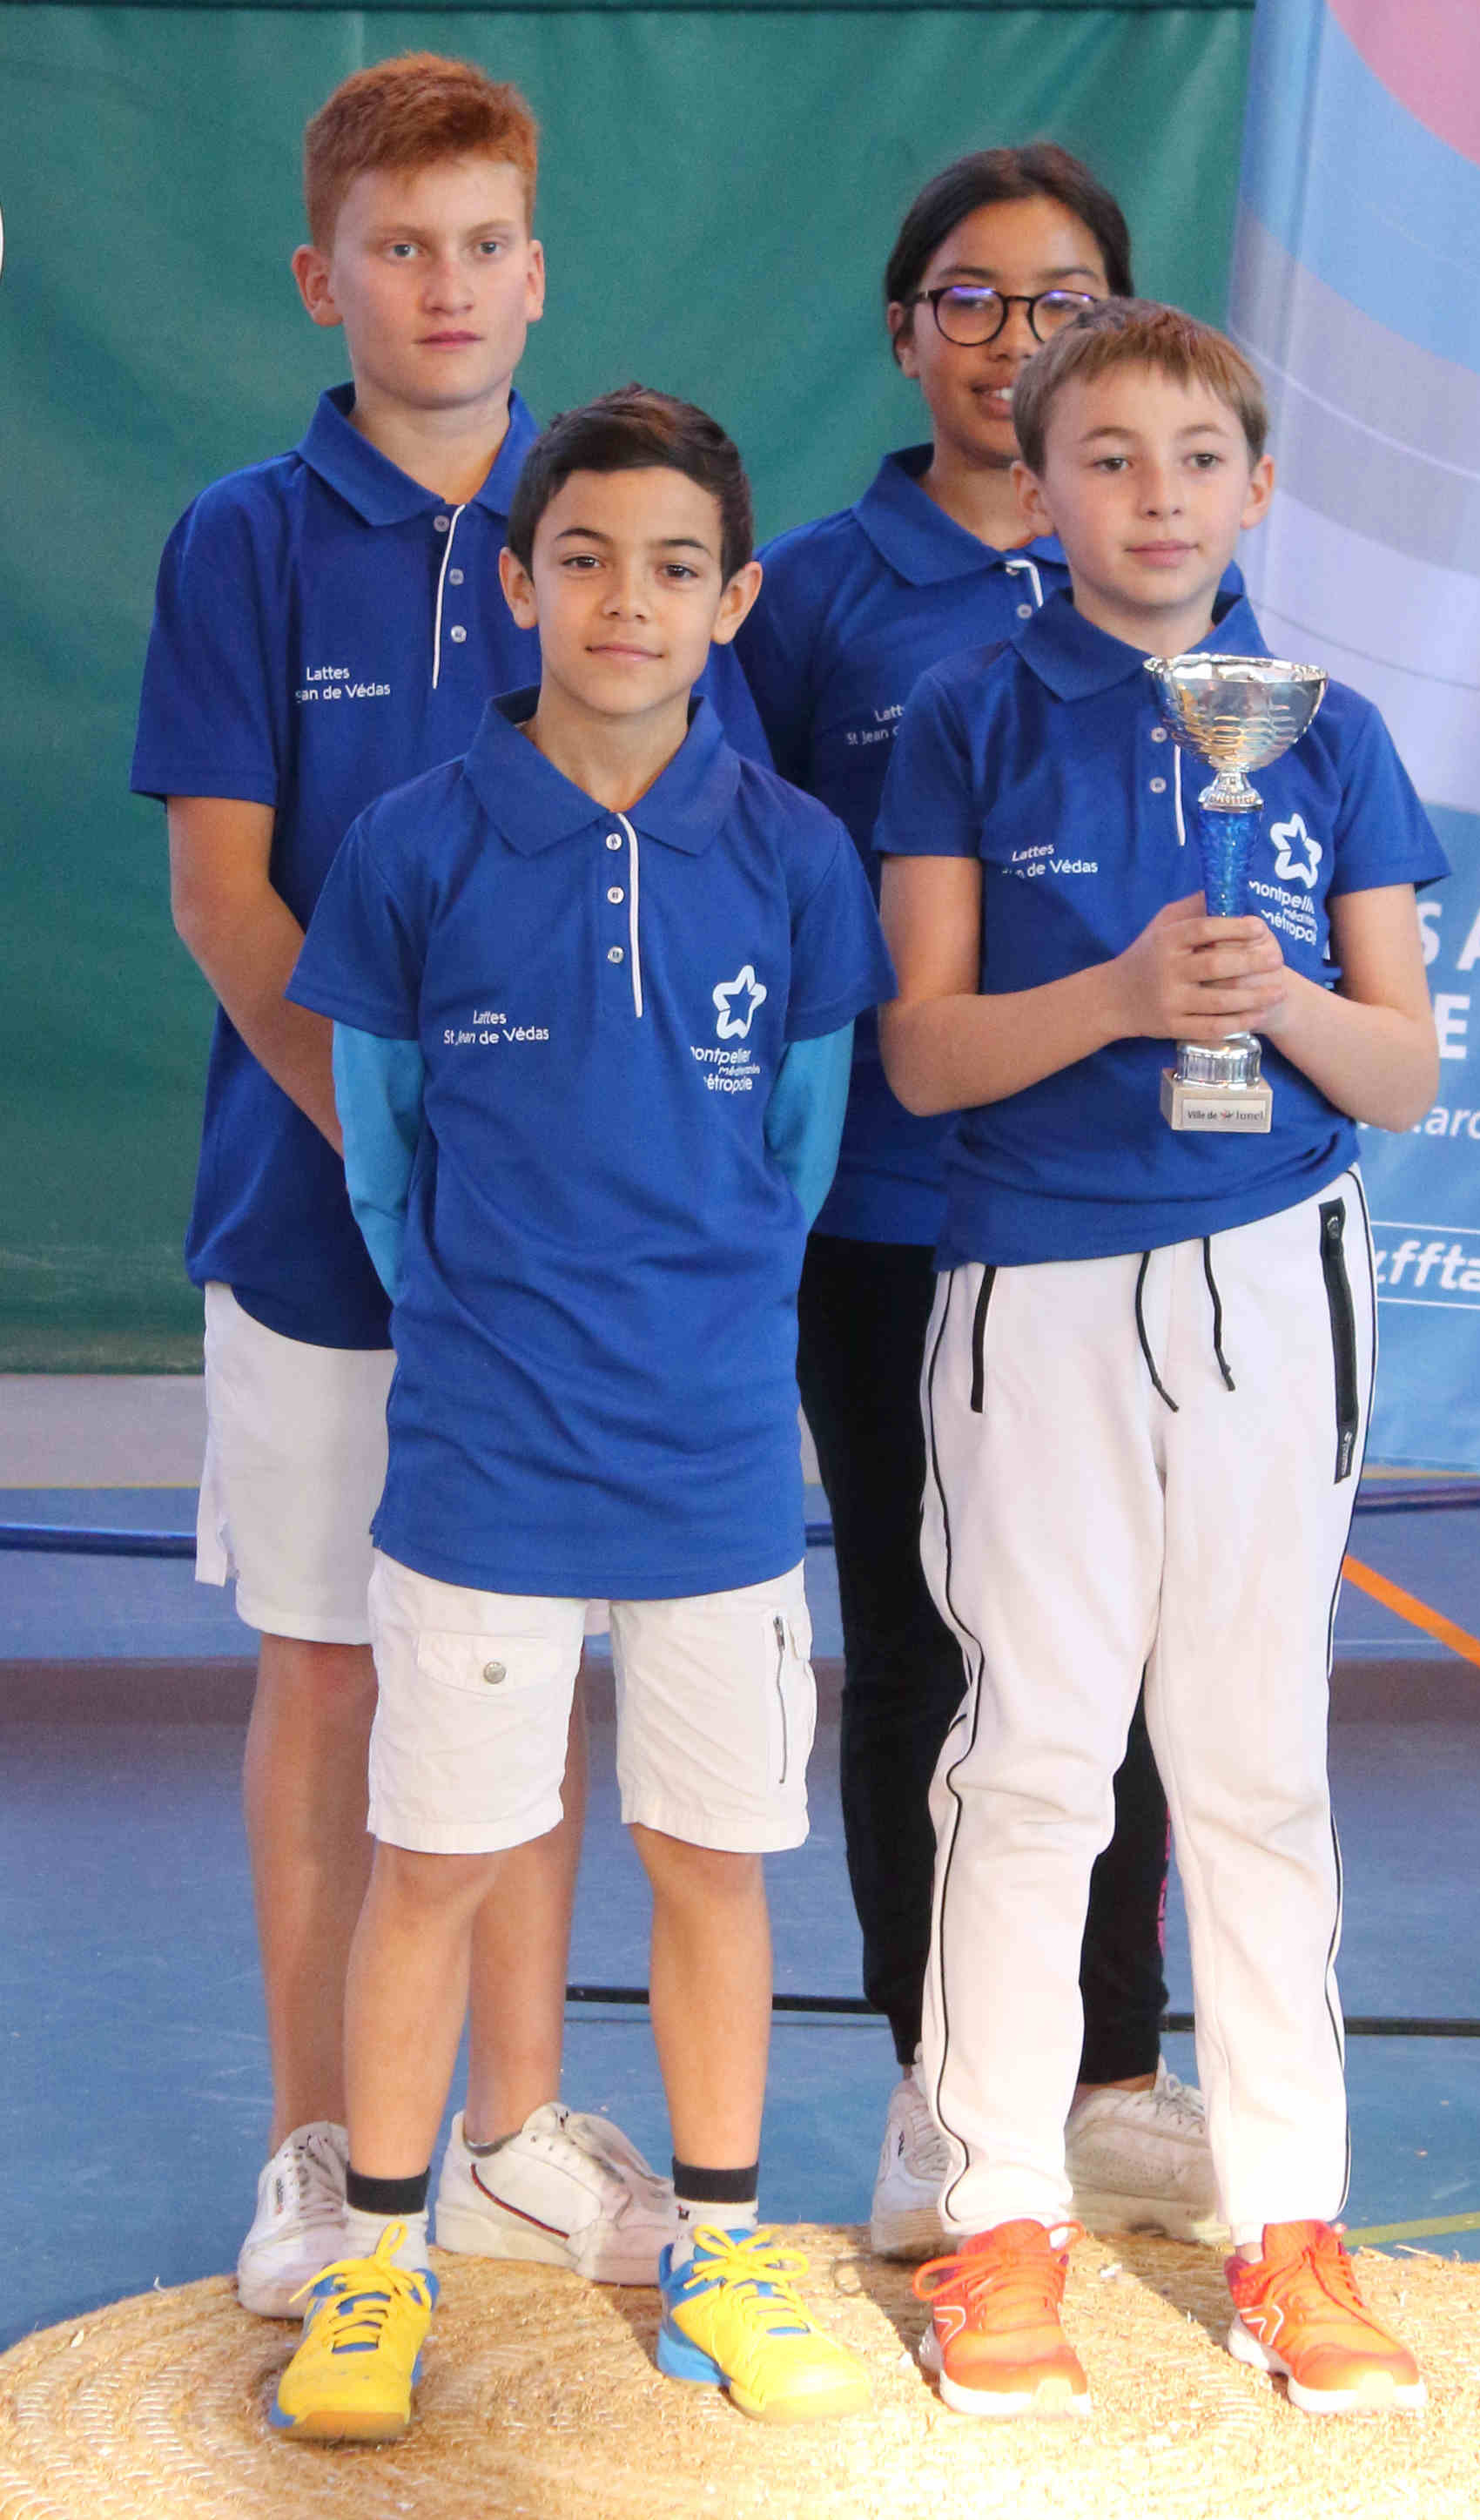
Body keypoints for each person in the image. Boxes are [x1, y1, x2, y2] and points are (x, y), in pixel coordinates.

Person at [129, 54, 765, 2314]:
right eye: (399, 247)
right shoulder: (240, 539)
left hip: (565, 1269)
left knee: (528, 1679)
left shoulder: (606, 524)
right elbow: (225, 897)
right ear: (324, 278)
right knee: (330, 1677)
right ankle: (323, 2149)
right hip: (322, 1232)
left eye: (484, 242)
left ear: (536, 270)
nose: (445, 284)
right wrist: (409, 1160)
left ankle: (503, 2135)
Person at [268, 387, 896, 2442]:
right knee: (436, 1860)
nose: (630, 598)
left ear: (734, 602)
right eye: (588, 558)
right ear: (520, 586)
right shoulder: (411, 845)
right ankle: (380, 2259)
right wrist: (493, 1330)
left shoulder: (795, 856)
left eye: (675, 566)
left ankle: (716, 2246)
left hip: (711, 1463)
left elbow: (794, 1154)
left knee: (709, 1859)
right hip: (483, 1468)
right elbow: (386, 1159)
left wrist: (691, 1331)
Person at [876, 299, 1443, 2418]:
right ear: (1035, 490)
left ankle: (1287, 2223)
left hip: (1273, 1278)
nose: (1154, 496)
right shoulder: (963, 715)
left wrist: (1271, 1002)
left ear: (1257, 487)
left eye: (1196, 458)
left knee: (1249, 1760)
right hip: (1029, 1287)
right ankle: (996, 2214)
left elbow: (1397, 1069)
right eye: (1104, 458)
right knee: (1029, 1755)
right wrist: (1119, 996)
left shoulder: (1330, 734)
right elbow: (923, 1053)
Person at [734, 148, 1218, 2259]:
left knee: (1122, 1658)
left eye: (1062, 300)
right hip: (893, 1212)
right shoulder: (815, 595)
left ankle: (1106, 2081)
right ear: (902, 329)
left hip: (1131, 1214)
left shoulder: (1183, 581)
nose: (1015, 338)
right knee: (924, 1653)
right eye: (970, 298)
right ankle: (944, 2091)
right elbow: (745, 879)